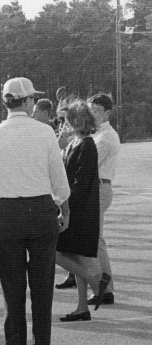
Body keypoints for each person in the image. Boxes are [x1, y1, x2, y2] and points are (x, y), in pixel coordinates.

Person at [0, 77, 70, 345]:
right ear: (28, 101)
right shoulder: (45, 132)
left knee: (12, 286)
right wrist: (63, 207)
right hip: (42, 210)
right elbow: (59, 179)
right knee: (42, 286)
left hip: (9, 213)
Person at [55, 100, 111, 322]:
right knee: (75, 257)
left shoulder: (87, 145)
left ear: (76, 121)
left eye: (66, 120)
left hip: (79, 209)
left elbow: (80, 183)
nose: (64, 123)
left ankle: (98, 284)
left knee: (56, 252)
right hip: (75, 207)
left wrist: (64, 207)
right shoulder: (75, 142)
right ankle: (81, 307)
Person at [87, 93, 120, 306]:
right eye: (91, 110)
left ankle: (105, 289)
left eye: (97, 111)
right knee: (92, 238)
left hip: (100, 188)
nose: (92, 114)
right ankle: (99, 285)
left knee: (95, 239)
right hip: (93, 188)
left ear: (107, 113)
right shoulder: (96, 133)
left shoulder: (106, 136)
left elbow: (87, 162)